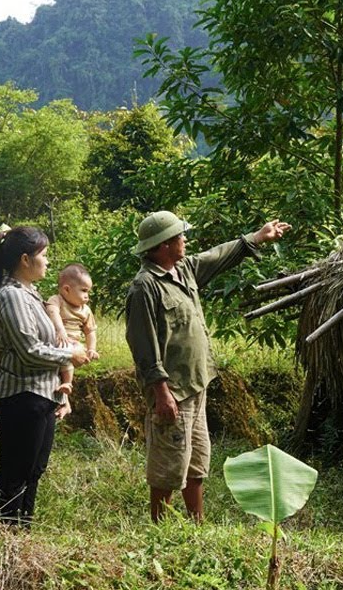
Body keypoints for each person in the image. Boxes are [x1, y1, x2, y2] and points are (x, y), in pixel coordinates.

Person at [125, 211, 290, 522]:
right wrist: (161, 393)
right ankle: (159, 529)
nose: (185, 240)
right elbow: (143, 347)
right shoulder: (145, 287)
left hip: (196, 383)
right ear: (162, 246)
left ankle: (196, 523)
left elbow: (217, 256)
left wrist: (257, 236)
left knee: (196, 462)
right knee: (167, 465)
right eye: (179, 237)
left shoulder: (183, 269)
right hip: (172, 390)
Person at [0, 225, 90, 526]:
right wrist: (70, 355)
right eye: (43, 255)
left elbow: (46, 344)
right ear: (25, 260)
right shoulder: (11, 297)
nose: (48, 261)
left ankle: (24, 529)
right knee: (16, 471)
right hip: (21, 396)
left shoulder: (30, 295)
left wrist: (61, 391)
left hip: (42, 395)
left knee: (34, 470)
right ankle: (9, 533)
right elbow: (29, 350)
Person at [44, 263, 99, 417]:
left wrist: (91, 348)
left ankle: (68, 383)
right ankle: (65, 400)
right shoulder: (57, 300)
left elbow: (91, 331)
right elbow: (52, 312)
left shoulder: (86, 310)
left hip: (74, 344)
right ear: (66, 290)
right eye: (84, 291)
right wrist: (61, 330)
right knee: (59, 366)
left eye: (88, 291)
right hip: (57, 340)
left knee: (67, 357)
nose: (87, 296)